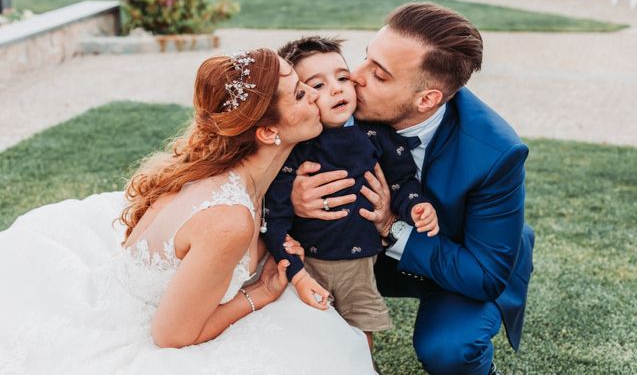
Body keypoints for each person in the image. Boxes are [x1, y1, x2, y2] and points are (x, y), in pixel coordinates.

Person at [0, 49, 376, 374]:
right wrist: (258, 294)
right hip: (147, 332)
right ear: (266, 132)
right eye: (299, 93)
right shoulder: (229, 217)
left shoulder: (237, 173)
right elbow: (172, 337)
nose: (315, 95)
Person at [289, 3, 535, 375]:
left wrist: (390, 225)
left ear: (427, 99)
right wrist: (293, 197)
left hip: (459, 258)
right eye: (365, 58)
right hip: (345, 249)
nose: (354, 77)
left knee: (449, 349)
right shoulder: (331, 101)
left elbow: (483, 275)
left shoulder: (496, 154)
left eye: (380, 75)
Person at [262, 36, 439, 351]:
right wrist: (289, 254)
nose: (336, 88)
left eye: (343, 77)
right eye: (316, 85)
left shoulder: (375, 134)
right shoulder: (298, 146)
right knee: (309, 331)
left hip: (359, 262)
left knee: (360, 329)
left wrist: (416, 205)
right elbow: (273, 212)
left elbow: (402, 179)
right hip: (309, 258)